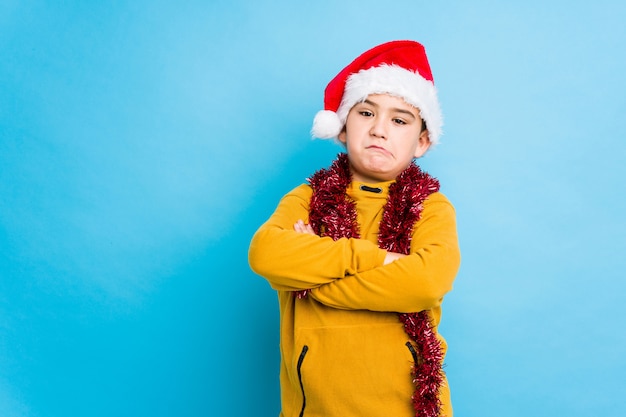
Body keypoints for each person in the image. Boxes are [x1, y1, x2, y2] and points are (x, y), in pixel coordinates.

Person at [248, 40, 461, 417]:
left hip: (406, 407)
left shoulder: (431, 207)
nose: (380, 130)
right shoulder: (307, 198)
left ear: (422, 142)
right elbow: (266, 253)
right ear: (344, 127)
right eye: (366, 113)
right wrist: (375, 258)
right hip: (314, 408)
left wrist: (317, 284)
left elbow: (426, 282)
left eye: (399, 120)